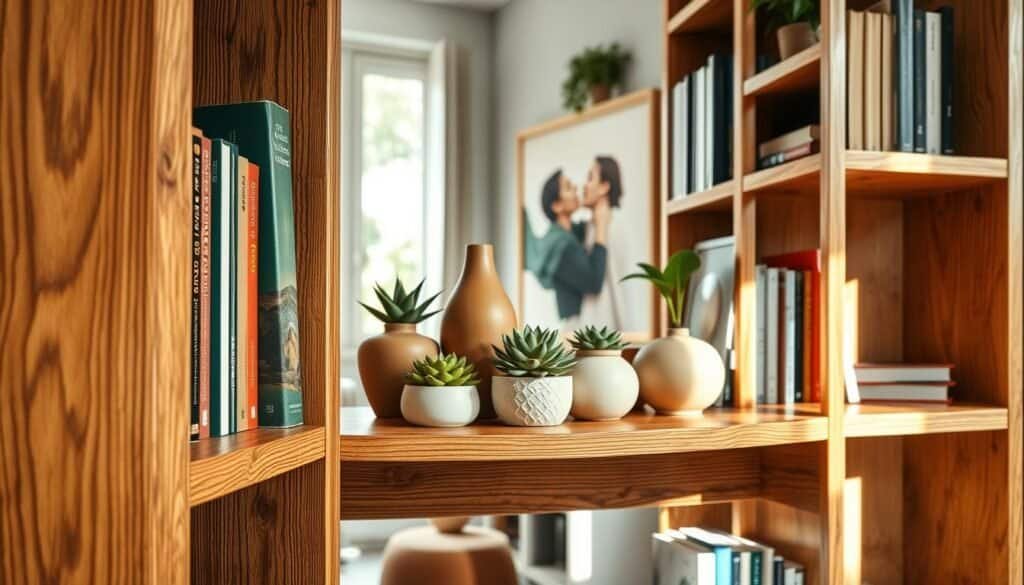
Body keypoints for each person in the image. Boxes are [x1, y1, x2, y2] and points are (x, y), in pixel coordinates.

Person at [523, 168, 610, 321]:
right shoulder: (561, 247)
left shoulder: (571, 235)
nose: (576, 188)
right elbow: (594, 283)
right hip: (576, 327)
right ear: (557, 206)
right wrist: (601, 227)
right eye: (569, 187)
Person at [576, 156, 626, 329]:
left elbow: (622, 293)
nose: (584, 185)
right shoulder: (591, 228)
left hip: (611, 333)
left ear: (605, 186)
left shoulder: (616, 228)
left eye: (590, 177)